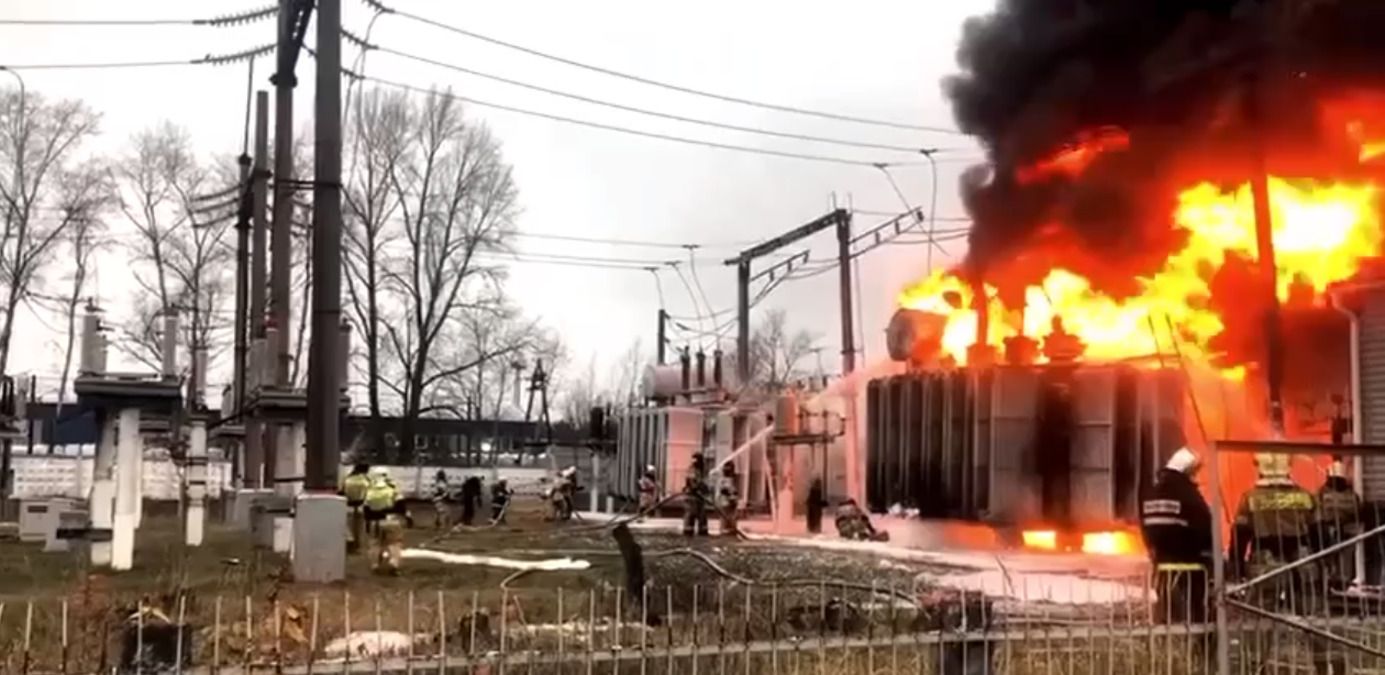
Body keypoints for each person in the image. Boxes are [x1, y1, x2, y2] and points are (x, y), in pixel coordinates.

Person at [1230, 453, 1316, 609]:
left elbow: (1239, 535)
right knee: (1306, 613)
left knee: (1264, 615)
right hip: (1301, 562)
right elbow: (1317, 530)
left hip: (1265, 563)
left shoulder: (1251, 498)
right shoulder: (1304, 496)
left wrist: (1237, 567)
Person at [1139, 447, 1213, 624]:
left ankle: (1167, 643)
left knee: (1165, 609)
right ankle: (1198, 644)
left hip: (1162, 565)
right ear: (1187, 471)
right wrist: (1210, 556)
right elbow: (1204, 526)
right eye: (1194, 472)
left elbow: (1145, 526)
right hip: (1190, 567)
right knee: (1196, 612)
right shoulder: (1188, 495)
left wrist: (1153, 551)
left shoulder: (1151, 493)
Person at [1315, 459, 1362, 590]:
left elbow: (1317, 512)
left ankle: (1332, 581)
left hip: (1331, 531)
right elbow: (1358, 511)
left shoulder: (1323, 492)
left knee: (1329, 559)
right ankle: (1340, 582)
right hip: (1345, 531)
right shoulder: (1351, 494)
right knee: (1343, 560)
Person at [363, 467, 404, 575]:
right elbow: (401, 507)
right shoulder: (393, 488)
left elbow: (366, 510)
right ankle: (393, 563)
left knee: (375, 543)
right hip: (391, 520)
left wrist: (368, 522)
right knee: (394, 543)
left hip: (374, 521)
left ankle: (375, 565)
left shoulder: (370, 489)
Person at [339, 462, 372, 554]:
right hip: (360, 506)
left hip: (348, 506)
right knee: (359, 528)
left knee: (349, 527)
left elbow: (342, 491)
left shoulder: (347, 479)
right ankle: (357, 546)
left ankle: (350, 544)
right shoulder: (366, 480)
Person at [682, 452, 710, 537]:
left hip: (701, 497)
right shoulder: (691, 469)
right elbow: (690, 481)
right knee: (690, 514)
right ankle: (688, 532)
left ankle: (702, 531)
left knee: (702, 516)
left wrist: (704, 488)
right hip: (691, 497)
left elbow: (706, 484)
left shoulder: (704, 471)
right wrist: (694, 487)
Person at [719, 463, 740, 536]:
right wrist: (729, 495)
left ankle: (731, 530)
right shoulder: (723, 480)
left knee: (732, 517)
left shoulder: (734, 479)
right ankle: (725, 530)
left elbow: (735, 491)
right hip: (725, 502)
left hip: (731, 502)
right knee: (725, 517)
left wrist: (734, 497)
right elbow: (722, 490)